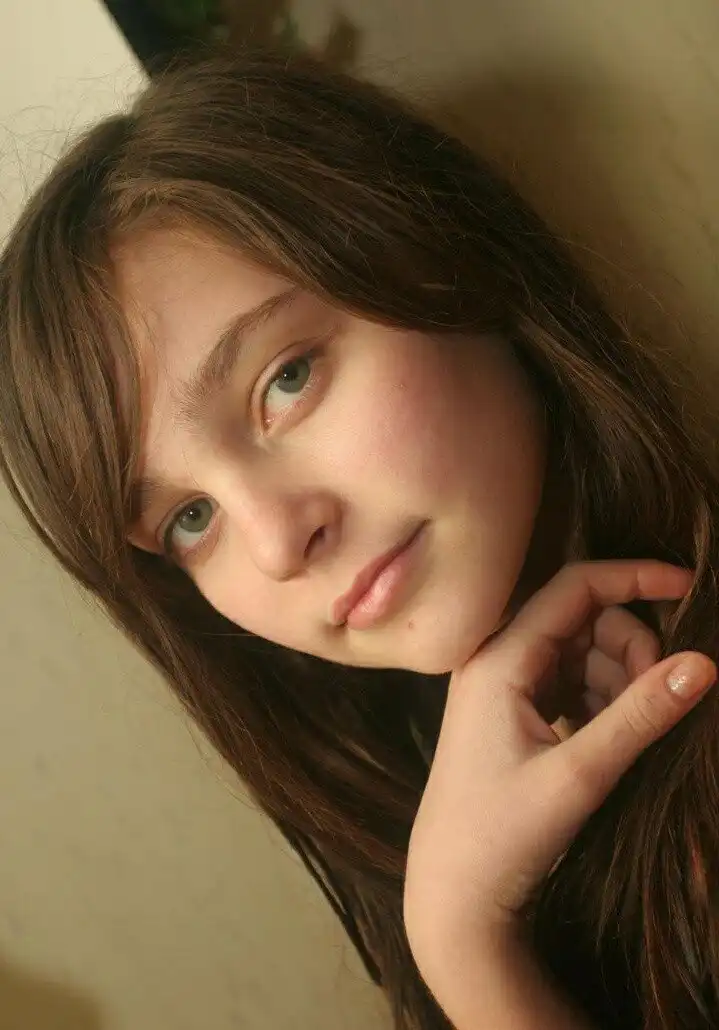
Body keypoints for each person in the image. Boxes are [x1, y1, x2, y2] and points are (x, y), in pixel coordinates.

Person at [1, 46, 718, 1029]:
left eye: (285, 379)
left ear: (438, 250)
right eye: (189, 520)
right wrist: (459, 931)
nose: (276, 541)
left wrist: (465, 950)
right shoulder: (451, 818)